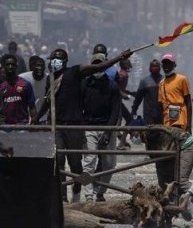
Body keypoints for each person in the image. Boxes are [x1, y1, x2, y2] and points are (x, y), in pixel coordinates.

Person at [34, 47, 132, 203]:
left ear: (65, 61)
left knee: (75, 164)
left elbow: (98, 67)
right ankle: (63, 198)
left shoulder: (74, 72)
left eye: (58, 58)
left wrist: (119, 57)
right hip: (58, 126)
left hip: (74, 126)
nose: (55, 61)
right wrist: (36, 119)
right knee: (58, 162)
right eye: (52, 58)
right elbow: (47, 101)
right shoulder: (50, 79)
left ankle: (77, 191)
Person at [157, 53, 193, 203]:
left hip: (180, 123)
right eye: (164, 63)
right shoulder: (161, 83)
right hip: (167, 125)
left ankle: (185, 198)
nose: (166, 66)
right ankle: (174, 199)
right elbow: (161, 105)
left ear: (174, 65)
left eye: (169, 63)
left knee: (179, 164)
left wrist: (189, 125)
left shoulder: (181, 79)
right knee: (170, 164)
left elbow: (188, 102)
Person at [80, 53, 121, 202]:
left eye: (100, 63)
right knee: (89, 162)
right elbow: (79, 108)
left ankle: (101, 191)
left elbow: (115, 111)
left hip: (106, 127)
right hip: (89, 127)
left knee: (109, 164)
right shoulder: (85, 84)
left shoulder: (112, 86)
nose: (97, 67)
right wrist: (82, 129)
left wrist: (108, 132)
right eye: (95, 63)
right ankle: (89, 195)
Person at [0, 54, 37, 125]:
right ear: (4, 67)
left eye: (13, 64)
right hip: (5, 127)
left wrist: (34, 121)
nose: (10, 67)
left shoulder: (25, 84)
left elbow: (32, 106)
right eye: (8, 64)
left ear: (16, 66)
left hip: (22, 126)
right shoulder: (1, 86)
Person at [132, 59, 163, 125]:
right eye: (153, 66)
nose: (155, 68)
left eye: (156, 66)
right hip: (149, 113)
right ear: (149, 68)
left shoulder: (164, 80)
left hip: (162, 112)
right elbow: (138, 98)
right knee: (150, 132)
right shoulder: (144, 81)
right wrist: (134, 109)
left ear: (160, 68)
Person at [19, 56, 47, 123]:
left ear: (44, 68)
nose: (39, 68)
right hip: (25, 117)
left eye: (41, 66)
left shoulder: (49, 78)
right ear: (32, 67)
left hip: (43, 117)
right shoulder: (22, 78)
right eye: (37, 66)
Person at [117, 58, 136, 149]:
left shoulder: (123, 74)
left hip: (118, 101)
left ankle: (122, 141)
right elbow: (116, 88)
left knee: (126, 120)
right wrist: (125, 95)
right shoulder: (122, 75)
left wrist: (131, 93)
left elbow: (121, 88)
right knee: (127, 119)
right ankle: (121, 142)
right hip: (116, 101)